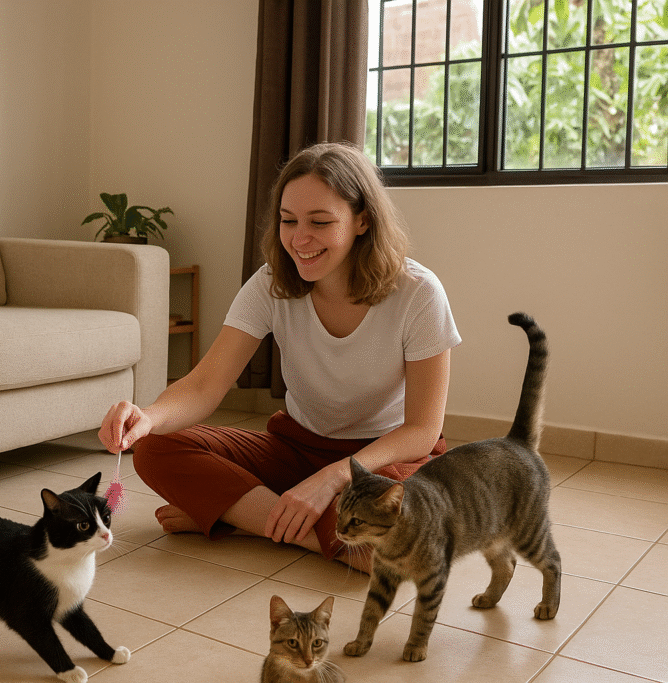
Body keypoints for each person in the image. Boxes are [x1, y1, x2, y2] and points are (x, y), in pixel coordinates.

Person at [98, 142, 460, 572]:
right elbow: (204, 385)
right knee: (157, 448)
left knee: (394, 550)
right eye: (288, 221)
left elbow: (422, 430)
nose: (299, 239)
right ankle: (299, 528)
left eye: (320, 222)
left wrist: (333, 477)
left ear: (362, 221)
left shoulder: (419, 293)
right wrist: (148, 417)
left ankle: (242, 520)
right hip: (296, 448)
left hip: (384, 461)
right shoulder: (270, 283)